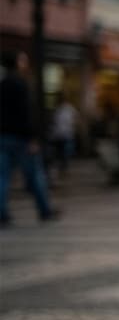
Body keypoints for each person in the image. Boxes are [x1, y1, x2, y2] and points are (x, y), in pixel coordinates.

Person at [0, 51, 59, 227]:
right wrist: (33, 137)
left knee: (3, 177)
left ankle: (2, 214)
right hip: (21, 137)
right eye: (22, 60)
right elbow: (27, 113)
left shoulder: (2, 85)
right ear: (17, 63)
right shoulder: (21, 84)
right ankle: (44, 210)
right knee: (35, 174)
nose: (25, 63)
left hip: (3, 137)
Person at [49, 99, 79, 179]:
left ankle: (63, 169)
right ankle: (62, 169)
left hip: (66, 134)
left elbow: (75, 118)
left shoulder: (69, 109)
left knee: (65, 153)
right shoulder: (58, 110)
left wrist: (73, 126)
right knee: (62, 153)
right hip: (59, 135)